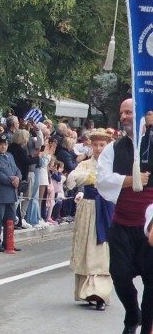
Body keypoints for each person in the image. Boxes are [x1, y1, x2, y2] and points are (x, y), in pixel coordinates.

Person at [97, 98, 153, 334]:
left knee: (152, 284)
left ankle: (146, 329)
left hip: (150, 227)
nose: (124, 117)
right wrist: (130, 180)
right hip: (122, 224)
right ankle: (132, 315)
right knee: (119, 275)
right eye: (122, 113)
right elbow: (102, 179)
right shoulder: (114, 148)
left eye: (129, 112)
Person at [67, 128, 114, 311]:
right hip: (89, 209)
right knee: (87, 247)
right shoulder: (86, 165)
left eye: (102, 145)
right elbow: (71, 179)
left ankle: (100, 293)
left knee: (101, 250)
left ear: (108, 146)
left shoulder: (113, 165)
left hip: (107, 209)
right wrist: (88, 178)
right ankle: (87, 290)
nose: (98, 148)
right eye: (95, 145)